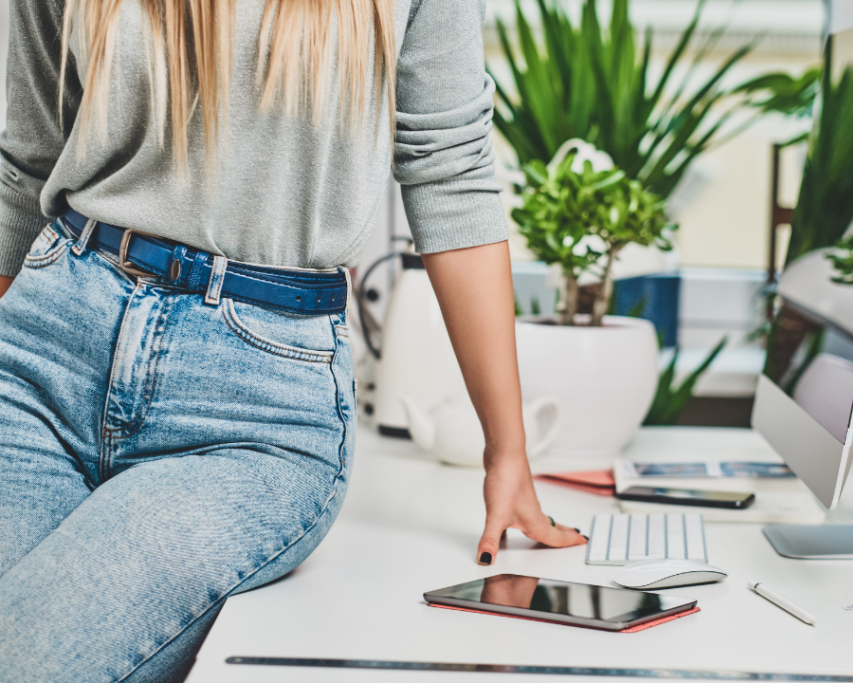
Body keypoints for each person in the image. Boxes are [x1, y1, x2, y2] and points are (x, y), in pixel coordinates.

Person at [0, 1, 588, 680]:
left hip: (253, 414)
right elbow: (27, 164)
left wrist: (507, 449)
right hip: (44, 348)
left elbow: (450, 170)